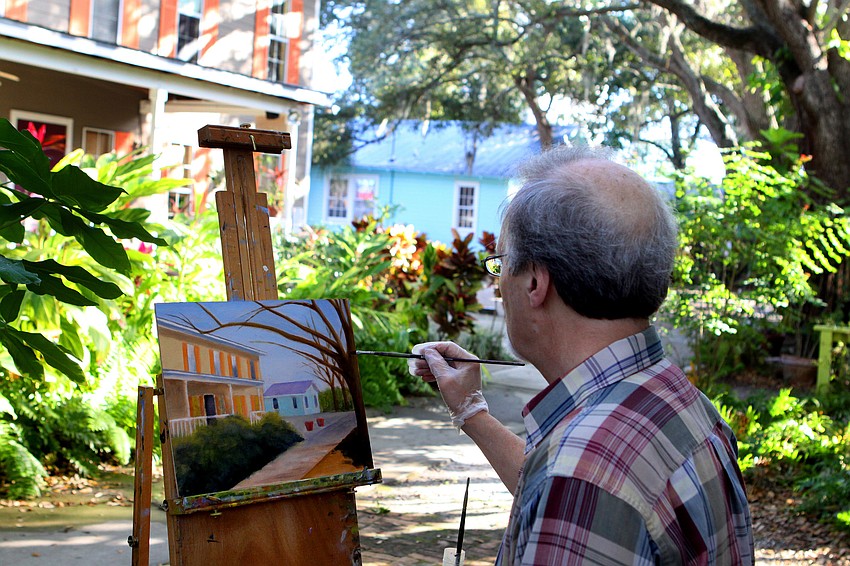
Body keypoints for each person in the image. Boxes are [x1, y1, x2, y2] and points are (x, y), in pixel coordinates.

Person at [408, 146, 754, 565]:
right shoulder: (683, 403)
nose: (500, 288)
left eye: (501, 265)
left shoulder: (581, 472)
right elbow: (568, 492)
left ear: (535, 281)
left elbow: (580, 483)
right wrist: (472, 412)